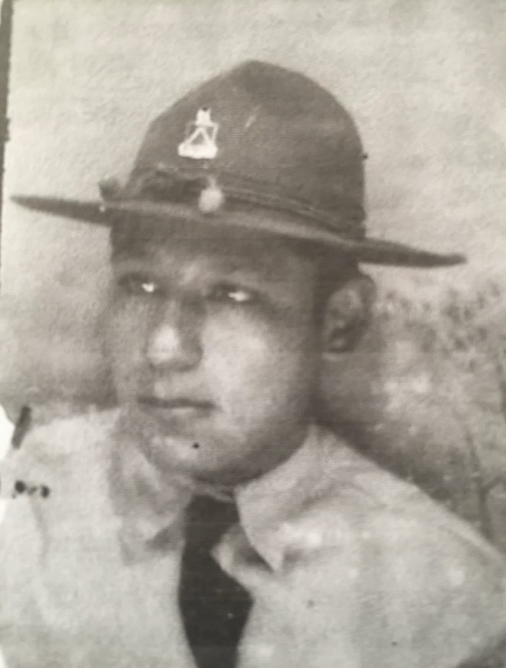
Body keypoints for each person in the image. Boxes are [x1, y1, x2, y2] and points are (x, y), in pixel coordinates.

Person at [1, 60, 506, 668]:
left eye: (232, 295)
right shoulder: (21, 508)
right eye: (140, 285)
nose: (164, 346)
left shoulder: (446, 599)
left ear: (339, 320)